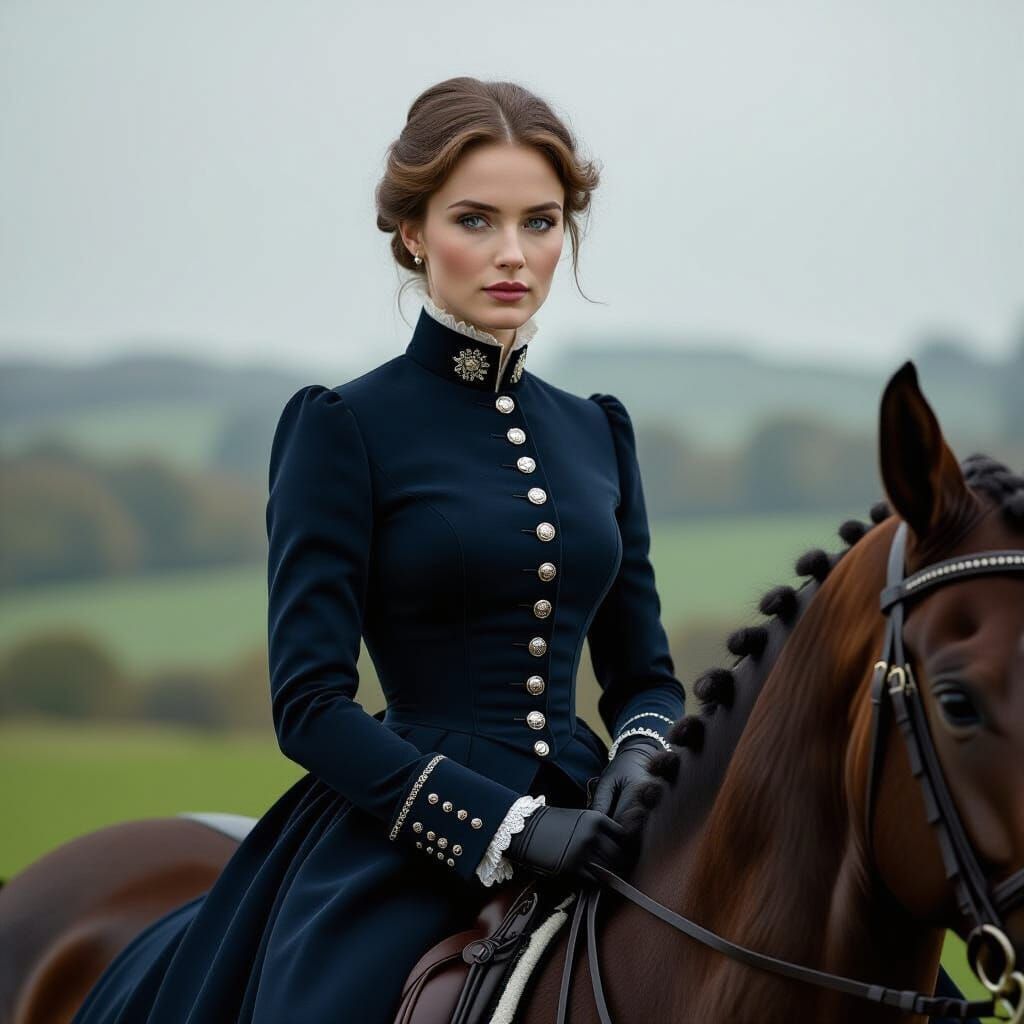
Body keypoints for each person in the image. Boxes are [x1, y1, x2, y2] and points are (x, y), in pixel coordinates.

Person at [70, 76, 686, 1023]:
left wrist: (642, 756)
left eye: (541, 222)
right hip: (405, 831)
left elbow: (644, 675)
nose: (514, 253)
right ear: (413, 233)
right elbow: (309, 706)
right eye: (475, 220)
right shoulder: (343, 426)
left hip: (593, 818)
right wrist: (503, 827)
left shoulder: (599, 430)